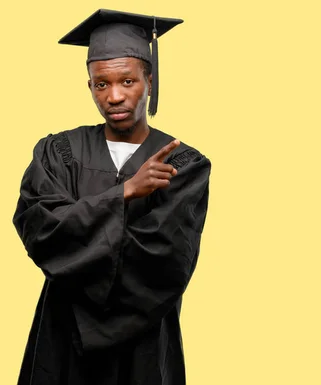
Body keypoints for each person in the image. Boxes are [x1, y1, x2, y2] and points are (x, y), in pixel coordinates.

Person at [12, 9, 211, 385]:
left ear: (149, 81)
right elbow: (42, 231)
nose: (115, 96)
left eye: (127, 80)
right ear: (89, 86)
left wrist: (80, 240)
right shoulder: (58, 153)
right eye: (101, 84)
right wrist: (126, 193)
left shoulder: (184, 164)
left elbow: (166, 259)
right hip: (62, 339)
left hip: (144, 339)